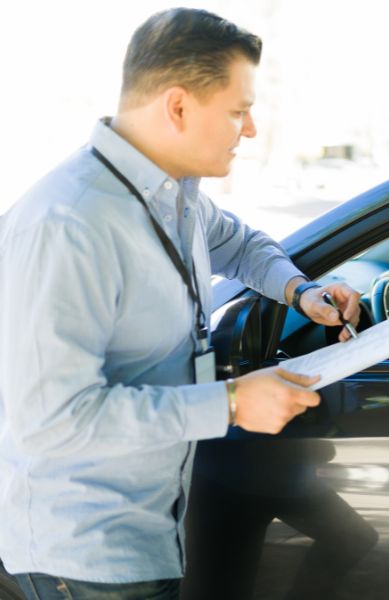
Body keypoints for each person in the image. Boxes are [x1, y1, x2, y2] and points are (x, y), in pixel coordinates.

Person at [0, 8, 361, 599]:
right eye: (239, 112)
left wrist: (304, 293)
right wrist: (231, 403)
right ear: (178, 107)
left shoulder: (175, 196)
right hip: (85, 560)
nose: (249, 131)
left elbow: (241, 245)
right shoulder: (67, 225)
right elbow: (54, 420)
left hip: (148, 533)